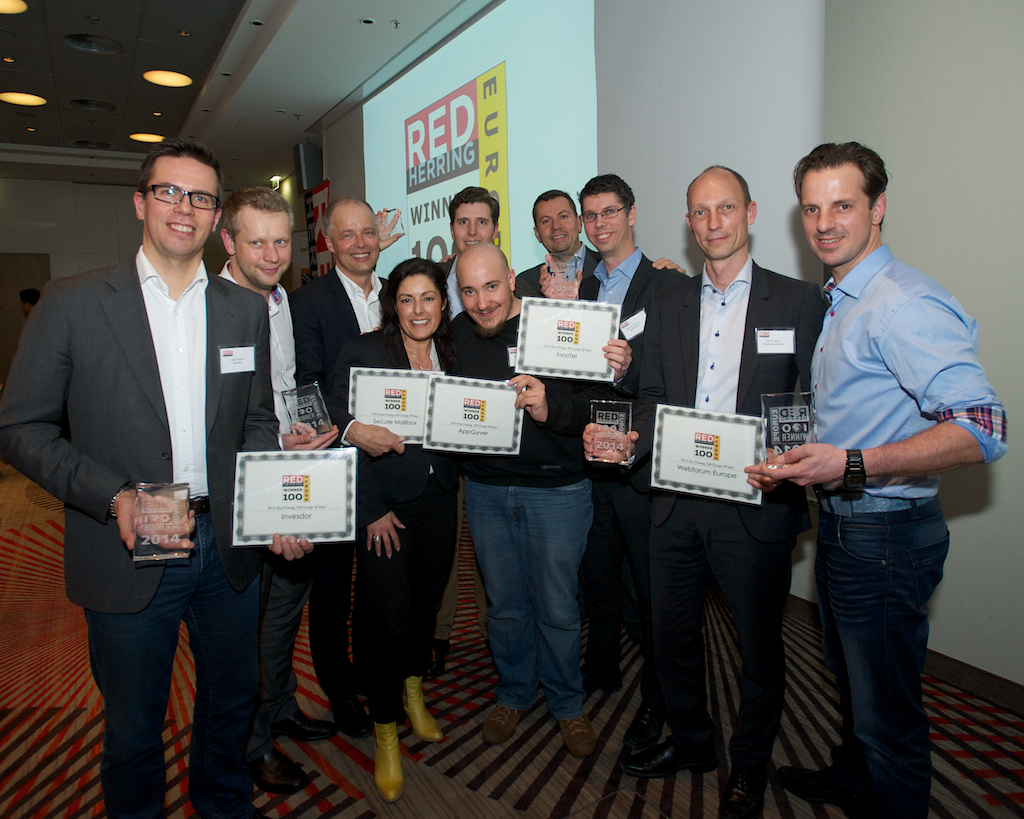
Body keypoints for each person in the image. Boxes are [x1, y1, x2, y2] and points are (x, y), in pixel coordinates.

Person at [0, 138, 312, 819]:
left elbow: (258, 420)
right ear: (140, 202)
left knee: (230, 704)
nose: (184, 207)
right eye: (170, 191)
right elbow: (20, 427)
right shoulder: (73, 302)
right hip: (126, 550)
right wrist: (113, 496)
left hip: (226, 546)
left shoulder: (243, 310)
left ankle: (223, 805)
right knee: (134, 725)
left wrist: (269, 507)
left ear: (216, 217)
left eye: (200, 196)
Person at [746, 142, 1007, 819]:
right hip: (844, 529)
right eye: (812, 209)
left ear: (878, 206)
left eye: (843, 205)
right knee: (855, 686)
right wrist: (800, 459)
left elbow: (983, 428)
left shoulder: (902, 303)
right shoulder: (842, 297)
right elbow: (853, 413)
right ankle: (853, 781)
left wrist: (852, 464)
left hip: (886, 537)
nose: (824, 223)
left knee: (888, 714)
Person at [606, 167, 827, 819]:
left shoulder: (798, 301)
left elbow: (815, 399)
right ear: (688, 222)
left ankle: (749, 765)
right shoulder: (669, 301)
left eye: (725, 208)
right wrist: (630, 441)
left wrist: (791, 456)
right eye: (700, 212)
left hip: (755, 503)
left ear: (750, 212)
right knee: (670, 637)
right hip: (674, 501)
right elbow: (651, 395)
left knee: (758, 648)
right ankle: (694, 743)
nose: (713, 223)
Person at [452, 243, 630, 758]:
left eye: (491, 286)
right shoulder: (457, 334)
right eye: (469, 291)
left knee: (558, 604)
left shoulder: (556, 323)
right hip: (484, 489)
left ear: (513, 278)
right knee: (505, 604)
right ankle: (513, 693)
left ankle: (567, 703)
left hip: (557, 489)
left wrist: (552, 408)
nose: (482, 302)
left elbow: (597, 400)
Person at [218, 186, 340, 794]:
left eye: (280, 243)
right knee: (245, 626)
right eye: (256, 242)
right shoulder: (209, 307)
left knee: (286, 605)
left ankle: (281, 704)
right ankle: (253, 743)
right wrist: (273, 443)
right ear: (228, 241)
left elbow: (283, 383)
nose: (271, 255)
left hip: (293, 471)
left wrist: (300, 431)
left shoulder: (280, 299)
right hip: (243, 487)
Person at [327, 258, 459, 801]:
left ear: (443, 303)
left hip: (440, 497)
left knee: (425, 606)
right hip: (384, 507)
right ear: (393, 307)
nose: (418, 310)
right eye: (407, 300)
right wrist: (369, 508)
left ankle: (414, 691)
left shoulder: (453, 350)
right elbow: (334, 420)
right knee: (386, 617)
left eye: (428, 298)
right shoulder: (364, 352)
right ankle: (385, 728)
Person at [570, 175, 684, 758]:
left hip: (640, 455)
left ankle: (659, 693)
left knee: (650, 584)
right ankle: (602, 666)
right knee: (599, 569)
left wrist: (630, 366)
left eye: (609, 212)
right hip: (593, 451)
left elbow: (673, 372)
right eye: (590, 215)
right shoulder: (585, 286)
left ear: (631, 214)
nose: (599, 224)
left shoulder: (667, 284)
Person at [288, 196, 403, 741]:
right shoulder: (309, 302)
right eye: (348, 235)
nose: (360, 243)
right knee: (331, 588)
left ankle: (371, 673)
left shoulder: (395, 294)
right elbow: (307, 384)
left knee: (379, 583)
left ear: (380, 237)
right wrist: (353, 429)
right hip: (336, 460)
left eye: (368, 232)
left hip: (391, 464)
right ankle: (338, 693)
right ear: (330, 243)